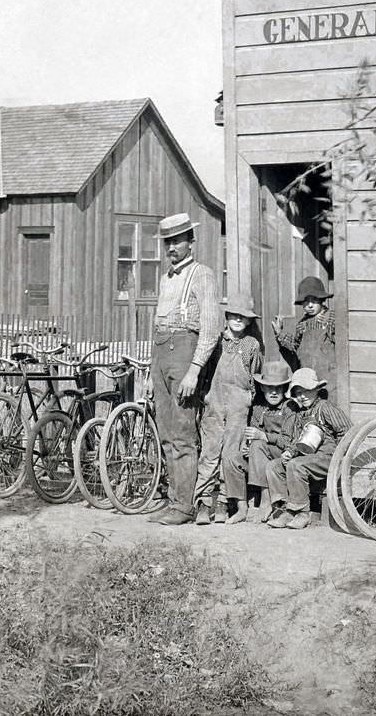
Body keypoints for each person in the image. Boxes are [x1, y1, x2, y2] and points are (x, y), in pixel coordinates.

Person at [149, 212, 221, 526]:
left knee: (182, 433)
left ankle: (184, 507)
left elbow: (211, 328)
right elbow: (157, 328)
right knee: (166, 433)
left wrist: (193, 370)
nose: (172, 248)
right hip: (162, 354)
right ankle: (173, 500)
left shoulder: (202, 275)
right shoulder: (166, 279)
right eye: (168, 242)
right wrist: (150, 375)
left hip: (185, 356)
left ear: (191, 241)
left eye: (177, 241)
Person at [193, 298, 263, 525]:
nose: (237, 320)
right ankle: (204, 504)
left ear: (249, 321)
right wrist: (205, 395)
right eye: (233, 315)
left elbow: (255, 377)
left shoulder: (251, 345)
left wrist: (246, 398)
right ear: (226, 317)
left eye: (242, 317)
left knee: (230, 454)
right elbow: (202, 369)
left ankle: (224, 502)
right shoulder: (216, 342)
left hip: (238, 407)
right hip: (214, 402)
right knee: (209, 453)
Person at [264, 367, 350, 530]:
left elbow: (347, 430)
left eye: (306, 391)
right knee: (274, 466)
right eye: (297, 393)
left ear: (317, 389)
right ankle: (284, 510)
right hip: (308, 458)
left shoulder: (325, 408)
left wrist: (340, 456)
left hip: (329, 458)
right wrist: (290, 451)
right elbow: (297, 440)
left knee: (296, 466)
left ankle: (302, 512)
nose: (302, 396)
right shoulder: (300, 415)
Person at [223, 359, 296, 523]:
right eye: (270, 388)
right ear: (262, 387)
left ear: (285, 388)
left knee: (258, 444)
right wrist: (247, 447)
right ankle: (241, 508)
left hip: (281, 458)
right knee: (231, 459)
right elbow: (252, 434)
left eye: (278, 388)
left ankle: (265, 498)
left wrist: (263, 437)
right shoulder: (258, 408)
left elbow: (289, 442)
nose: (274, 392)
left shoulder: (290, 408)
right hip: (260, 457)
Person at [275, 276, 337, 400]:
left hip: (328, 376)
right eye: (305, 301)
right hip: (308, 376)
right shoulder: (302, 324)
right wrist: (280, 334)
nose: (309, 305)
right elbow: (295, 345)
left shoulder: (331, 318)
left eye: (314, 300)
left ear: (321, 300)